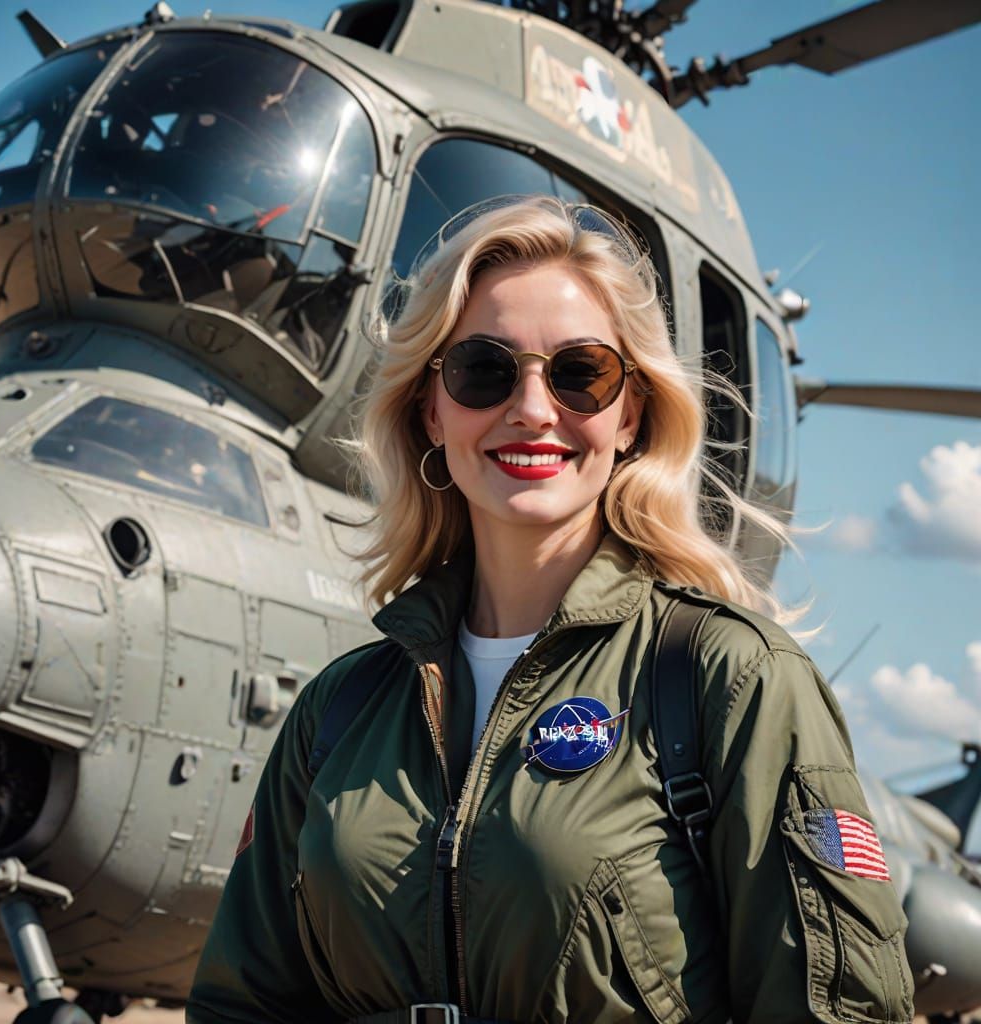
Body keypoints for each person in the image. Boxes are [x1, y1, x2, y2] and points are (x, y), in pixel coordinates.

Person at [186, 196, 913, 1024]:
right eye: (482, 371)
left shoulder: (728, 677)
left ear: (631, 414)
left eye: (581, 373)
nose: (533, 409)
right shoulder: (340, 709)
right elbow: (239, 1007)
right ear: (431, 408)